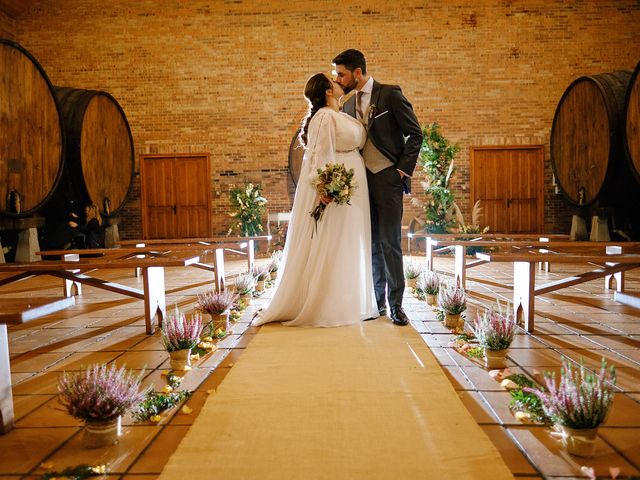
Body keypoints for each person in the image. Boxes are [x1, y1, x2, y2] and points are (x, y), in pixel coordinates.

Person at [253, 73, 378, 327]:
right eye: (333, 81)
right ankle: (329, 303)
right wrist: (328, 188)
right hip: (340, 189)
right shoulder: (323, 117)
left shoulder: (341, 114)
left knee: (350, 240)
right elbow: (320, 157)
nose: (338, 81)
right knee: (336, 241)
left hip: (355, 186)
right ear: (327, 92)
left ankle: (350, 299)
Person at [332, 49, 423, 327]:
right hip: (361, 183)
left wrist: (401, 171)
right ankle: (378, 303)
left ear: (357, 73)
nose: (338, 78)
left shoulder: (390, 94)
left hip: (387, 178)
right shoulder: (347, 106)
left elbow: (415, 134)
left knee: (390, 243)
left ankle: (397, 305)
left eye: (341, 73)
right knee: (371, 243)